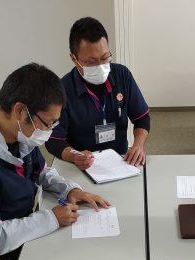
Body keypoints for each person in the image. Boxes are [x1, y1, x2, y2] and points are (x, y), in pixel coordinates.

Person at [0, 63, 109, 260]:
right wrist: (50, 219)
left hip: (26, 227)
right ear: (20, 111)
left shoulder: (18, 133)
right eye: (48, 123)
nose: (49, 131)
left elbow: (40, 171)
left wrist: (70, 190)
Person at [45, 17, 150, 170]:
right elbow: (54, 140)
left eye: (105, 58)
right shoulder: (62, 90)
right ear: (74, 59)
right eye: (91, 62)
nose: (100, 66)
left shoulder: (122, 75)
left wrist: (138, 145)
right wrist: (75, 156)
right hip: (81, 166)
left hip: (120, 160)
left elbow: (142, 118)